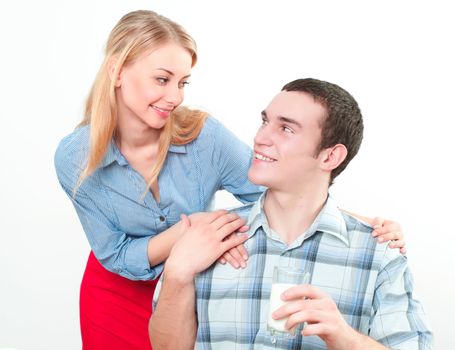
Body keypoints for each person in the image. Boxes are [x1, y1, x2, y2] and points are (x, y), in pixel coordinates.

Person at [55, 9, 405, 350]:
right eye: (162, 79)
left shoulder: (203, 136)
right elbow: (115, 254)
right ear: (116, 71)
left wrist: (361, 224)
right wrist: (192, 232)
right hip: (116, 293)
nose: (175, 97)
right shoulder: (75, 158)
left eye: (182, 83)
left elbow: (277, 192)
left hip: (195, 281)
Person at [149, 78, 432, 349]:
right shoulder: (208, 237)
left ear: (330, 157)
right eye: (265, 121)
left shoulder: (378, 255)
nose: (260, 138)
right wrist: (176, 274)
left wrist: (343, 336)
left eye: (286, 129)